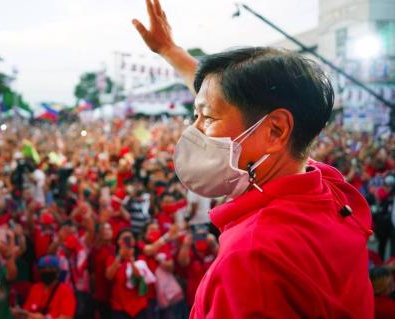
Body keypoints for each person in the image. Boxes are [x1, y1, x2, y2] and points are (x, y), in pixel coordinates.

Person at [133, 0, 374, 317]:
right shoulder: (326, 186)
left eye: (206, 117)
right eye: (196, 115)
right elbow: (236, 104)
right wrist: (169, 51)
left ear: (276, 131)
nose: (195, 131)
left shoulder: (251, 259)